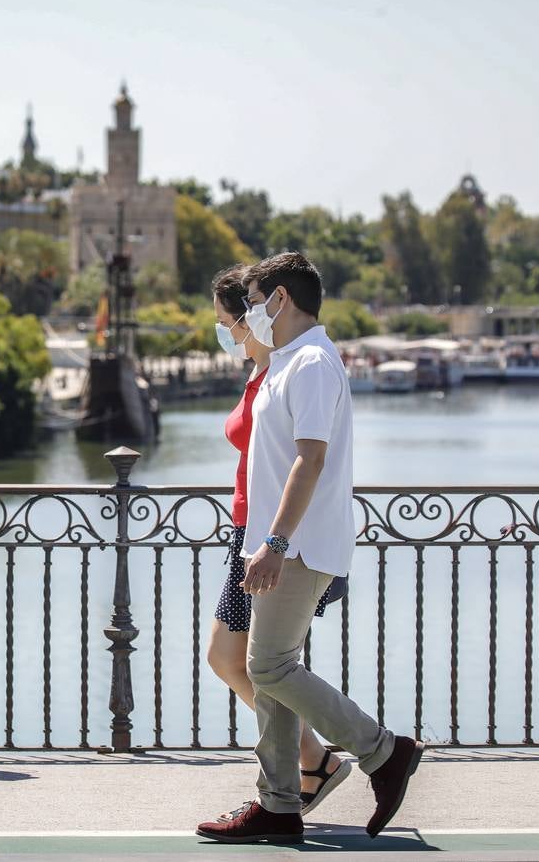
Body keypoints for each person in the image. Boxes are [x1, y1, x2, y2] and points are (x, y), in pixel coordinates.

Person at [197, 254, 423, 845]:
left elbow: (312, 458)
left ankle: (384, 751)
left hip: (297, 546)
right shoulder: (286, 364)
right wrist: (259, 541)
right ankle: (279, 804)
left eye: (252, 303)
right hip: (269, 543)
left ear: (279, 301)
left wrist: (274, 542)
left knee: (267, 666)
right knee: (266, 670)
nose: (247, 316)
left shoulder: (315, 364)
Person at [205, 265, 350, 817]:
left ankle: (344, 757)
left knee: (255, 662)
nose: (225, 333)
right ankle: (300, 774)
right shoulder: (268, 370)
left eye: (228, 322)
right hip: (253, 528)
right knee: (253, 661)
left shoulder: (293, 366)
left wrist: (276, 539)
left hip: (268, 534)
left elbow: (309, 459)